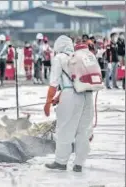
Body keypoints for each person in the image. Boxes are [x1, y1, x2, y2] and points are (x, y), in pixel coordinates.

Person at [44, 35, 94, 173]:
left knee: (65, 129)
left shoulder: (59, 58)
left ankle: (60, 162)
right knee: (83, 131)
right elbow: (75, 82)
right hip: (87, 95)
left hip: (71, 96)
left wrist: (47, 103)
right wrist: (59, 97)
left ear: (58, 46)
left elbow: (54, 84)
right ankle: (79, 164)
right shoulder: (79, 56)